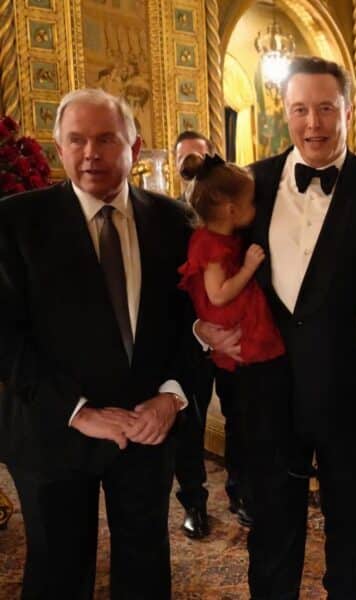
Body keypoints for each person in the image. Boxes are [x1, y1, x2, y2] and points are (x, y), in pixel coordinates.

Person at [196, 56, 356, 599]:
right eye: (299, 110)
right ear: (284, 112)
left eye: (325, 108)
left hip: (349, 389)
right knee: (270, 530)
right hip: (264, 392)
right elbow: (212, 266)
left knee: (351, 532)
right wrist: (204, 328)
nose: (313, 123)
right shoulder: (250, 183)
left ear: (347, 110)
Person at [0, 88, 194, 598]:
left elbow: (192, 328)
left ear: (134, 144)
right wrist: (79, 411)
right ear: (59, 149)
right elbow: (5, 337)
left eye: (106, 138)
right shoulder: (15, 223)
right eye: (77, 140)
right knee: (57, 573)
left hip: (146, 430)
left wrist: (170, 396)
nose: (92, 153)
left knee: (146, 569)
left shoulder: (175, 221)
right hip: (52, 430)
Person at [170, 131, 253, 539]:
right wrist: (200, 328)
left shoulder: (234, 222)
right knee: (190, 422)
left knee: (239, 416)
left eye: (198, 159)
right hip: (192, 343)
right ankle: (194, 503)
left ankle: (240, 491)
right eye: (186, 161)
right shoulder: (170, 217)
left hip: (235, 338)